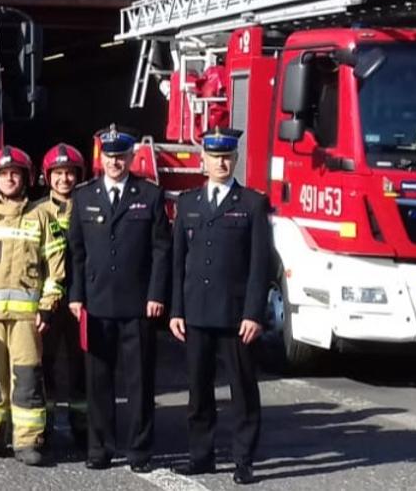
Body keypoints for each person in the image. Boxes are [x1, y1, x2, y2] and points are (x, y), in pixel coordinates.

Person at [169, 128, 272, 486]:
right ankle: (201, 456)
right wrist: (176, 310)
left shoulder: (252, 204)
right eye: (214, 157)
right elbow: (178, 262)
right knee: (199, 391)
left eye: (227, 157)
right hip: (196, 313)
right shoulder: (188, 203)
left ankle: (243, 459)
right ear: (203, 160)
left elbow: (260, 265)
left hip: (235, 316)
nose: (221, 163)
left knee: (242, 391)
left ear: (236, 159)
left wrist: (254, 313)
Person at [66, 126, 171, 472]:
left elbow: (161, 250)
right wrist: (76, 295)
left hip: (138, 304)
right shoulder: (84, 196)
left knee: (139, 382)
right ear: (103, 158)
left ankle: (140, 450)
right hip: (97, 303)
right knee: (98, 381)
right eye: (110, 156)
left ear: (131, 157)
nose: (115, 162)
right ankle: (100, 448)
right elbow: (76, 252)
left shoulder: (150, 194)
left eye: (121, 156)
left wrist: (156, 293)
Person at [0, 146, 65, 467]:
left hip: (26, 317)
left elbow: (56, 268)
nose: (10, 179)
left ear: (26, 178)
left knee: (27, 377)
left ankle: (27, 440)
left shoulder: (41, 216)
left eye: (15, 174)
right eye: (4, 174)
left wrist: (48, 305)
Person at [34, 143, 89, 444]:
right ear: (48, 176)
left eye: (69, 173)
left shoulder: (89, 207)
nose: (64, 179)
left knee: (82, 362)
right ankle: (45, 422)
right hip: (49, 299)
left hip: (82, 299)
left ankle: (82, 424)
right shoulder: (37, 211)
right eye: (58, 173)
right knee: (46, 361)